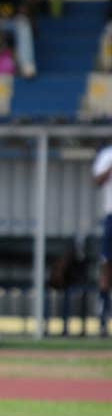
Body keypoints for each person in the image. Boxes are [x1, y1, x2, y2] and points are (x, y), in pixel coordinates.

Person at [91, 141, 112, 337]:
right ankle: (103, 320)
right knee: (107, 267)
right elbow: (97, 180)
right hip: (111, 217)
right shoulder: (108, 154)